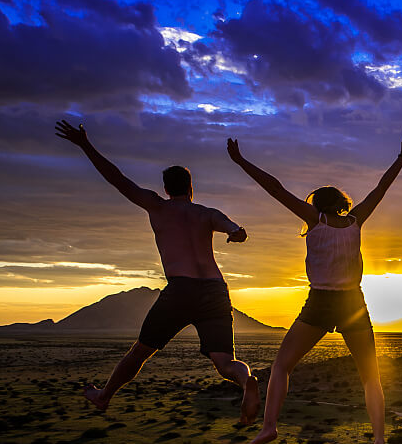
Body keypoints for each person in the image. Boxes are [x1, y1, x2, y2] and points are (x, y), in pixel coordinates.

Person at [54, 120, 260, 424]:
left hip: (181, 290)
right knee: (226, 362)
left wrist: (85, 145)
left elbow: (117, 179)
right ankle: (246, 380)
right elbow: (235, 229)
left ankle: (104, 396)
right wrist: (236, 233)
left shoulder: (157, 206)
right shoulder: (206, 213)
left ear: (166, 189)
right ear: (191, 187)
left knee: (140, 352)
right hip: (215, 290)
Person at [228, 133, 402, 444]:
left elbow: (275, 189)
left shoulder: (315, 220)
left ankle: (269, 426)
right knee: (371, 376)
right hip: (353, 303)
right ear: (342, 203)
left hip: (320, 302)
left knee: (282, 366)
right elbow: (380, 189)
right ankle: (379, 438)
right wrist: (401, 158)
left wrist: (241, 162)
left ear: (316, 205)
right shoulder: (356, 221)